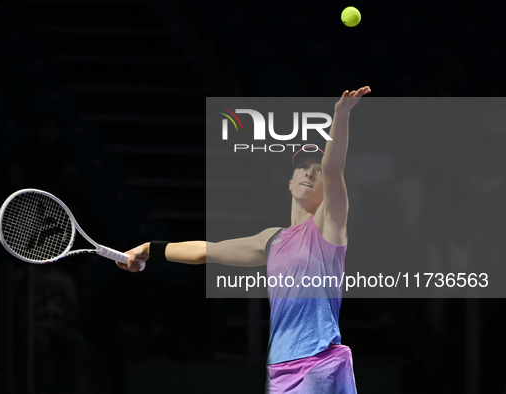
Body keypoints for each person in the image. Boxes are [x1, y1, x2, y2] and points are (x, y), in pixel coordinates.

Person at [117, 87, 371, 393]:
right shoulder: (271, 239)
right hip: (280, 370)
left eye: (316, 169)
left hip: (319, 363)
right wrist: (148, 249)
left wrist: (340, 116)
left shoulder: (330, 225)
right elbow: (206, 251)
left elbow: (334, 168)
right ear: (290, 184)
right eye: (303, 167)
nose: (311, 172)